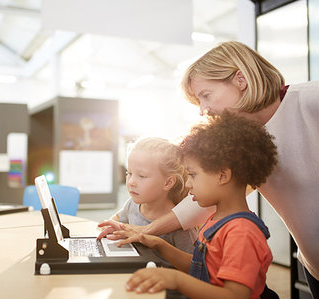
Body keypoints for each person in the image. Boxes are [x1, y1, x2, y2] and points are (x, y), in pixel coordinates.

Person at [99, 40, 319, 297]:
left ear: (240, 79)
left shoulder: (310, 100)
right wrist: (147, 231)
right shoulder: (246, 142)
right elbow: (201, 201)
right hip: (314, 266)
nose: (203, 110)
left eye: (206, 95)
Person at [126, 112, 278, 298]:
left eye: (193, 175)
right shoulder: (218, 220)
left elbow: (235, 295)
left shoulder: (241, 232)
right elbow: (202, 267)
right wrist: (158, 244)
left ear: (223, 176)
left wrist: (176, 279)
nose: (188, 184)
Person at [106, 137, 197, 257]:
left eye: (142, 176)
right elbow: (118, 219)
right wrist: (110, 226)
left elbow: (193, 265)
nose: (131, 182)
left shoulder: (180, 226)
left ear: (168, 183)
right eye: (129, 173)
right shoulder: (132, 205)